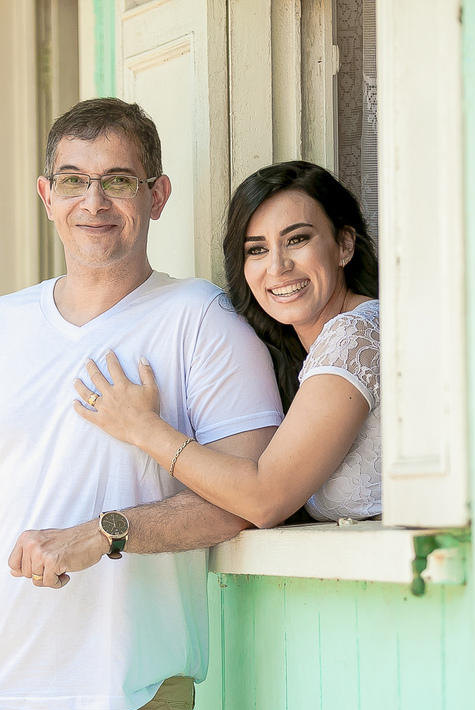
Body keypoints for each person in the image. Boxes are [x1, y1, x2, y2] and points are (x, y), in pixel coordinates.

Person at [0, 98, 284, 710]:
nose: (94, 203)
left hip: (128, 707)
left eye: (118, 181)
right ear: (46, 195)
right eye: (73, 181)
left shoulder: (202, 322)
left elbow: (248, 495)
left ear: (157, 195)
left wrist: (105, 532)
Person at [75, 161, 381, 527]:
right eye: (256, 250)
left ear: (344, 245)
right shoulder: (305, 353)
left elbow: (265, 499)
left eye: (297, 239)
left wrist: (143, 427)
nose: (278, 266)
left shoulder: (355, 336)